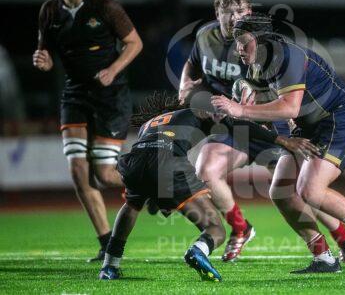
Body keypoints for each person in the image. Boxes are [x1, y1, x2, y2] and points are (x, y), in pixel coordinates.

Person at [179, 0, 345, 263]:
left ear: (250, 12)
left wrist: (260, 103)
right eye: (229, 11)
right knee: (205, 168)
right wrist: (185, 85)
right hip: (234, 125)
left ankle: (342, 236)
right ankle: (240, 229)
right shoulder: (206, 37)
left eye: (241, 10)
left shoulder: (259, 42)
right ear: (218, 13)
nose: (236, 16)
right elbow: (192, 64)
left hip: (271, 123)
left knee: (298, 187)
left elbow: (280, 86)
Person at [211, 14, 345, 271]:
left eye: (244, 41)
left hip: (338, 119)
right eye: (236, 42)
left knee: (310, 189)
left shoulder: (288, 57)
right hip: (307, 126)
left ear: (261, 40)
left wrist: (239, 110)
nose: (238, 48)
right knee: (281, 190)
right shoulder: (258, 63)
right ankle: (323, 257)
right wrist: (245, 95)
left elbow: (289, 107)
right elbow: (270, 105)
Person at [98, 92, 320, 281]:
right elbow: (237, 125)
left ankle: (110, 265)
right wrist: (281, 140)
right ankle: (198, 250)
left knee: (131, 205)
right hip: (167, 164)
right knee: (216, 230)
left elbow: (150, 161)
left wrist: (158, 197)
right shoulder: (196, 112)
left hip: (132, 163)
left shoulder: (149, 124)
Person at [32, 0, 143, 262]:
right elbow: (46, 54)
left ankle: (152, 181)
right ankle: (107, 242)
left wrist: (113, 69)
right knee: (79, 172)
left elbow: (135, 43)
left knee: (105, 175)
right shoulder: (49, 12)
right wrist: (43, 61)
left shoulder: (105, 6)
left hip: (110, 96)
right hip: (75, 95)